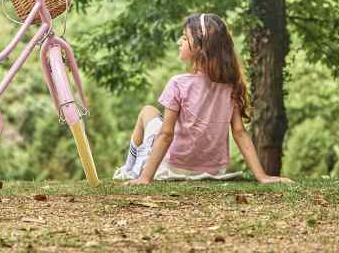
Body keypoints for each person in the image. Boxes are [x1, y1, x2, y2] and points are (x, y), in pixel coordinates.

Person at [114, 13, 293, 184]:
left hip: (173, 168)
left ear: (200, 47)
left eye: (184, 38)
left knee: (148, 111)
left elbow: (166, 134)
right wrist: (262, 176)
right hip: (213, 171)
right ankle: (131, 169)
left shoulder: (178, 83)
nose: (179, 42)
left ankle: (130, 170)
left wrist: (146, 178)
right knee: (156, 121)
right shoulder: (230, 86)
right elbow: (239, 132)